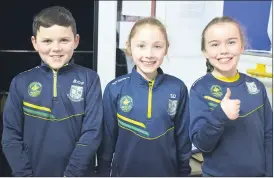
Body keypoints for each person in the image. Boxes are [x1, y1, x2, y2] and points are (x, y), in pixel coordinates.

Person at [1, 6, 103, 177]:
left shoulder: (90, 79)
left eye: (64, 40)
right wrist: (24, 175)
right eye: (47, 41)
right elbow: (10, 136)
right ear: (35, 43)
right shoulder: (21, 82)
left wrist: (71, 174)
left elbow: (92, 133)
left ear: (76, 41)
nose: (56, 48)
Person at [96, 17, 192, 177]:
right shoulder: (115, 88)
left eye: (157, 46)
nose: (149, 54)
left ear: (166, 48)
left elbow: (183, 138)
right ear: (129, 47)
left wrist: (184, 172)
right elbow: (107, 140)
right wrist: (103, 173)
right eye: (141, 46)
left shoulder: (178, 87)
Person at [189, 16, 273, 176]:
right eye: (215, 44)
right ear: (205, 52)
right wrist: (220, 114)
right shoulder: (199, 89)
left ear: (242, 46)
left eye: (231, 42)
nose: (224, 50)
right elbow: (201, 144)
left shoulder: (257, 87)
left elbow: (269, 135)